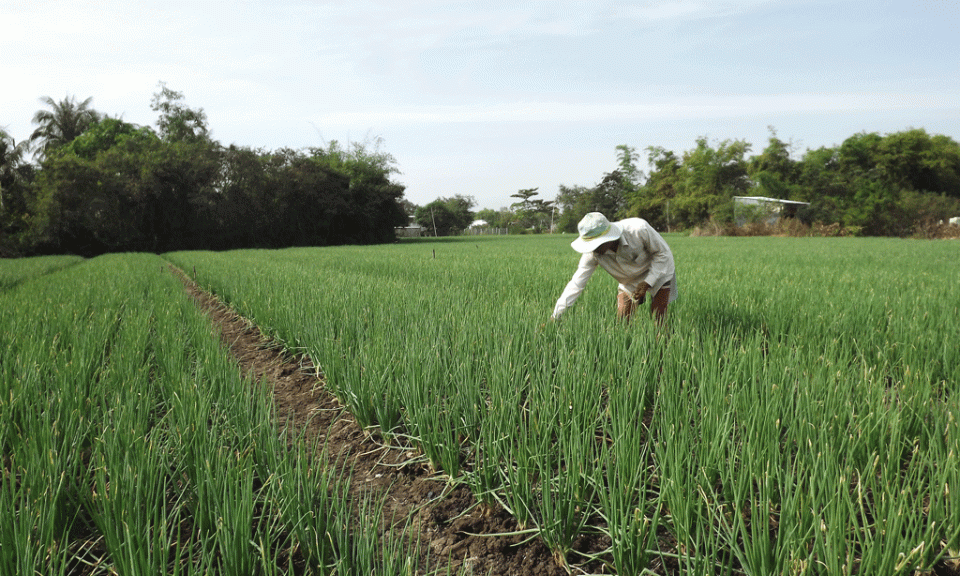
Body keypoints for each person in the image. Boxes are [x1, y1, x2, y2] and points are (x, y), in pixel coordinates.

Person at [551, 212, 677, 323]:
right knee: (623, 320)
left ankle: (662, 347)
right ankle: (628, 348)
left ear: (609, 238)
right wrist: (555, 316)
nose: (593, 249)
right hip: (629, 282)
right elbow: (576, 284)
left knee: (659, 318)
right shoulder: (593, 254)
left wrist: (647, 283)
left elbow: (663, 254)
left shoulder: (638, 230)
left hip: (659, 272)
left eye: (597, 244)